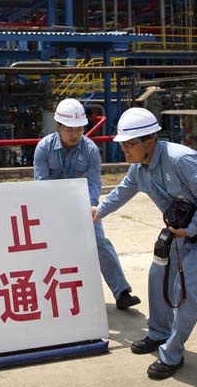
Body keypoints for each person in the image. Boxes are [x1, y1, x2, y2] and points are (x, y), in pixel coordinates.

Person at [92, 107, 197, 380]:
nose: (124, 150)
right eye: (123, 144)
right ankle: (158, 332)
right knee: (158, 274)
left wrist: (192, 229)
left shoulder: (182, 160)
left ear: (149, 142)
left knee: (185, 287)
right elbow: (122, 191)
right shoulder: (140, 168)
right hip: (181, 229)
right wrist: (99, 211)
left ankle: (172, 353)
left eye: (129, 144)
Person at [34, 98, 141, 311]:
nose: (75, 134)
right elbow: (41, 184)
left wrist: (90, 207)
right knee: (49, 249)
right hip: (51, 208)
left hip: (82, 206)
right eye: (70, 129)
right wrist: (53, 211)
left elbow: (94, 183)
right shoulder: (44, 148)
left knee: (99, 242)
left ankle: (122, 292)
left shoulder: (90, 149)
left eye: (79, 129)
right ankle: (48, 297)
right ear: (58, 127)